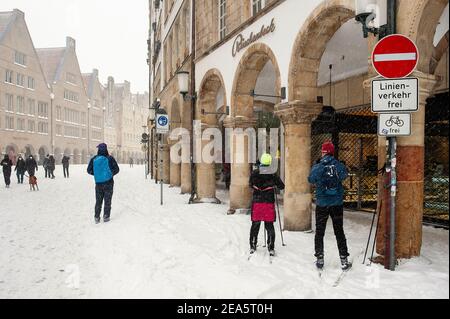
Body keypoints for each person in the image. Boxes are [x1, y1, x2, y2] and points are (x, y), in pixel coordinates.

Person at [308, 141, 351, 271]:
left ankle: (320, 258)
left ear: (323, 152)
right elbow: (344, 175)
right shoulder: (338, 165)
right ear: (332, 152)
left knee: (319, 231)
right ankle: (344, 259)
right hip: (336, 203)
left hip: (322, 203)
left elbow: (310, 179)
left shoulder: (318, 165)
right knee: (339, 231)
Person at [249, 153, 285, 257]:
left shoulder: (255, 173)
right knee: (269, 225)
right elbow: (282, 186)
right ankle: (271, 247)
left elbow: (250, 184)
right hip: (268, 203)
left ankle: (253, 245)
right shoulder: (273, 174)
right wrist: (273, 185)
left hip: (257, 202)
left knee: (255, 224)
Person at [87, 143, 120, 224]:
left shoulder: (94, 159)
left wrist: (97, 174)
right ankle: (106, 216)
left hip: (98, 183)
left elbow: (89, 170)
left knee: (98, 200)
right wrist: (110, 174)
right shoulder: (110, 158)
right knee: (107, 200)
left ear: (98, 149)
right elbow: (117, 169)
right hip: (109, 183)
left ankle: (97, 217)